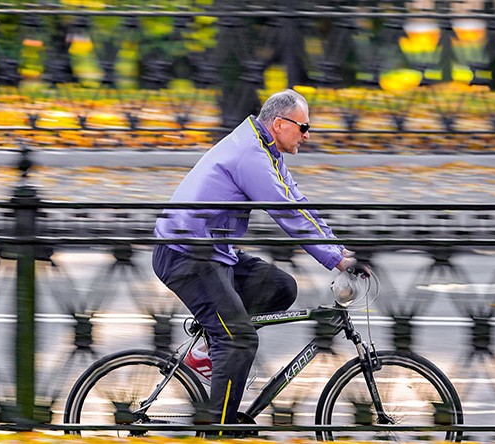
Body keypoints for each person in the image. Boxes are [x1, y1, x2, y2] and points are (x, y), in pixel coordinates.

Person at [152, 89, 360, 429]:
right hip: (186, 255)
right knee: (238, 341)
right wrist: (336, 260)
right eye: (304, 127)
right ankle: (219, 430)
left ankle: (208, 348)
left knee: (281, 287)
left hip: (215, 252)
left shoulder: (265, 147)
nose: (307, 135)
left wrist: (340, 250)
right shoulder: (251, 155)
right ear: (280, 124)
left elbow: (299, 202)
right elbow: (287, 213)